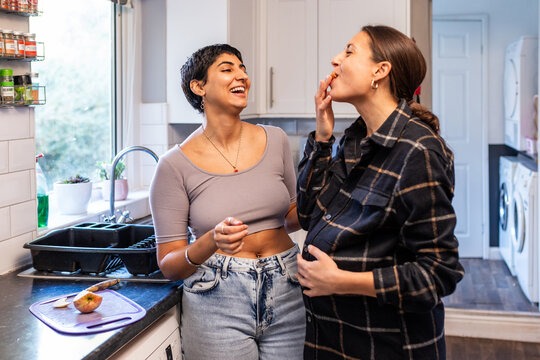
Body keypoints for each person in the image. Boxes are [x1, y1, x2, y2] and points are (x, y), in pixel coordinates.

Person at [295, 25, 464, 359]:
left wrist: (342, 281)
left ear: (380, 71)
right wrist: (323, 136)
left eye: (348, 51)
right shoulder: (354, 140)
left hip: (387, 347)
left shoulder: (418, 150)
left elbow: (438, 273)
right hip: (334, 340)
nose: (335, 60)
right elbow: (306, 213)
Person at [149, 44, 305, 360]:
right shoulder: (173, 166)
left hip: (288, 285)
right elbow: (169, 264)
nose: (242, 76)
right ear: (199, 86)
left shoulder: (276, 139)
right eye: (227, 68)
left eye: (242, 68)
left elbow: (292, 216)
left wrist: (329, 190)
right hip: (217, 295)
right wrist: (210, 240)